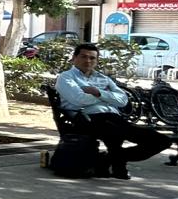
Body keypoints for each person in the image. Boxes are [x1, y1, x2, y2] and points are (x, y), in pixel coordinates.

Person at [56, 43, 171, 179]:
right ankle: (115, 164)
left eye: (92, 58)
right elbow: (79, 99)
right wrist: (108, 97)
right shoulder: (66, 77)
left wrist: (98, 92)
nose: (88, 61)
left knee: (162, 141)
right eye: (83, 56)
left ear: (96, 60)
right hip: (86, 120)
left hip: (113, 119)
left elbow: (123, 100)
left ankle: (108, 160)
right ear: (74, 58)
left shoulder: (103, 78)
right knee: (116, 133)